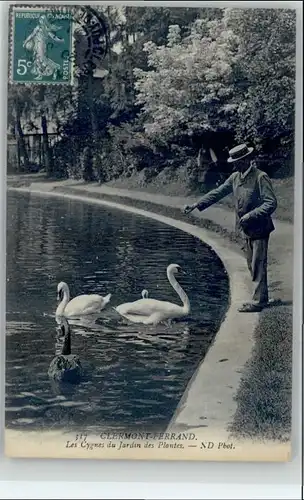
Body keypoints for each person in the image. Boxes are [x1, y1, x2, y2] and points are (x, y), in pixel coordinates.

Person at [183, 143, 277, 313]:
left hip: (259, 228)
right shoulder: (235, 177)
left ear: (248, 160)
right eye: (235, 162)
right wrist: (197, 204)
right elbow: (218, 192)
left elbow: (270, 203)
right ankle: (261, 297)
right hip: (244, 229)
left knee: (257, 264)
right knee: (251, 264)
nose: (235, 164)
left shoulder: (260, 177)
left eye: (239, 161)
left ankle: (258, 302)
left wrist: (251, 215)